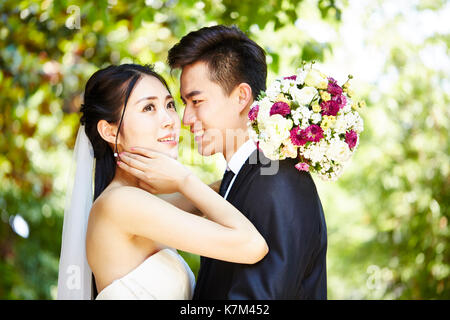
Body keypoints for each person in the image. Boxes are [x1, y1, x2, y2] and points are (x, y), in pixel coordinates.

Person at [56, 64, 268, 300]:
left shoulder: (142, 202)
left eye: (169, 105)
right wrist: (183, 179)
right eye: (148, 107)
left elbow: (224, 187)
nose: (169, 120)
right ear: (108, 131)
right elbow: (252, 246)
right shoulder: (120, 203)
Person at [165, 25, 328, 299]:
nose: (185, 119)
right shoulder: (241, 177)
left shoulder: (277, 180)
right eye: (184, 103)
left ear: (241, 96)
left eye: (196, 101)